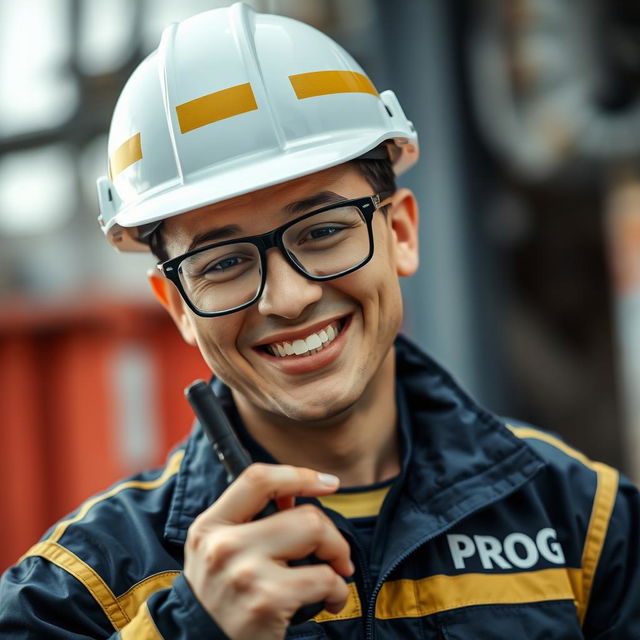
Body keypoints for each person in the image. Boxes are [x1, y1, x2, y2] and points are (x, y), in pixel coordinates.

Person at [1, 3, 639, 639]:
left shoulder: (583, 523)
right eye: (222, 263)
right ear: (178, 307)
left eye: (324, 230)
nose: (287, 297)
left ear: (402, 233)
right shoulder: (84, 585)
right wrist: (189, 629)